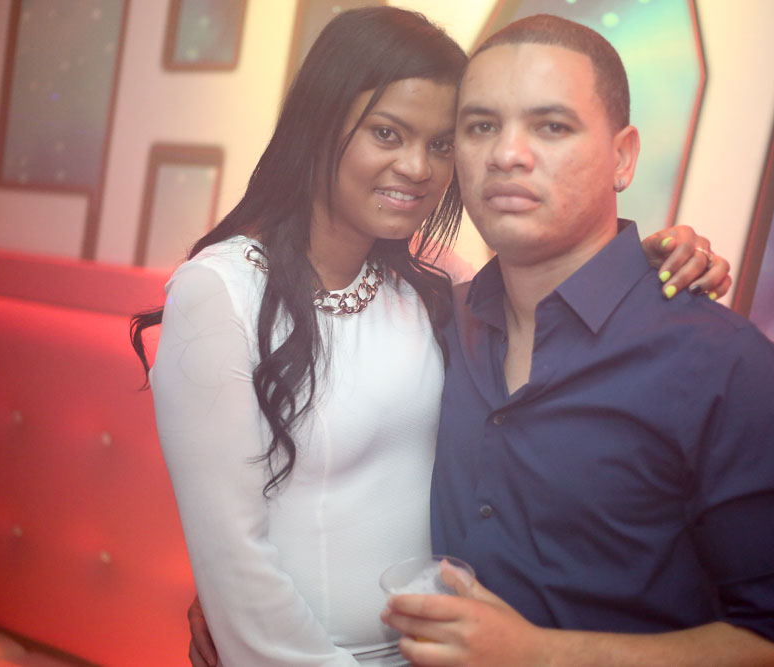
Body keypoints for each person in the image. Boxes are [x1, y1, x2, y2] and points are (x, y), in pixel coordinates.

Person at [137, 7, 729, 666]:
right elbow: (235, 562)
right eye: (387, 133)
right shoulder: (220, 292)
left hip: (443, 652)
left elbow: (557, 295)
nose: (418, 167)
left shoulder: (435, 280)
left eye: (442, 144)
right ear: (319, 125)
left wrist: (655, 256)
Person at [380, 15, 774, 667]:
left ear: (622, 158)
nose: (507, 154)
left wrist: (536, 653)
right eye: (481, 126)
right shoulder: (437, 322)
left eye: (552, 126)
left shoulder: (719, 363)